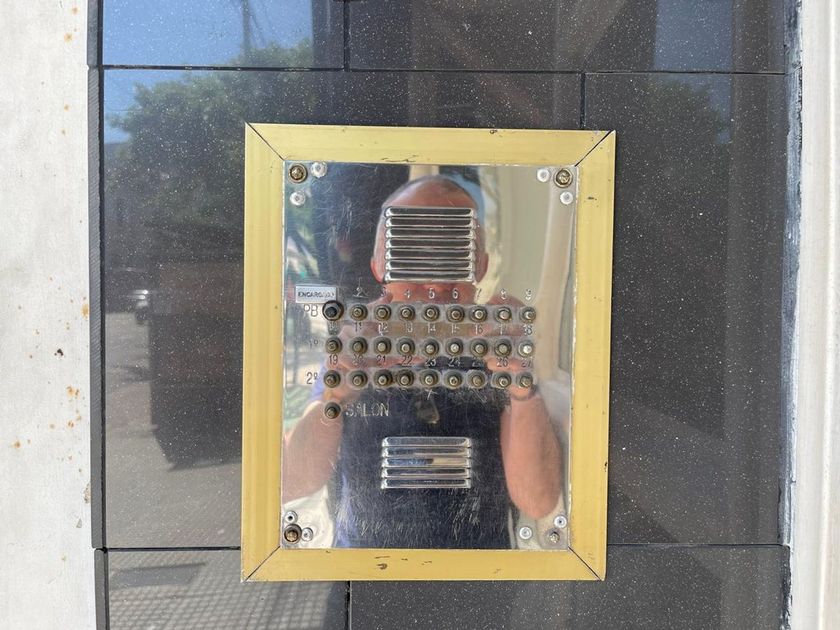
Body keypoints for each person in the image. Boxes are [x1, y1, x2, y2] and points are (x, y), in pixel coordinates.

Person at [283, 175, 563, 549]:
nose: (433, 282)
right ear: (380, 266)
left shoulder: (500, 348)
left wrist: (521, 387)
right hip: (362, 569)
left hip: (483, 571)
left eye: (451, 253)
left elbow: (538, 500)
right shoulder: (355, 348)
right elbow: (293, 482)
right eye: (411, 251)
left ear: (479, 265)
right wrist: (336, 397)